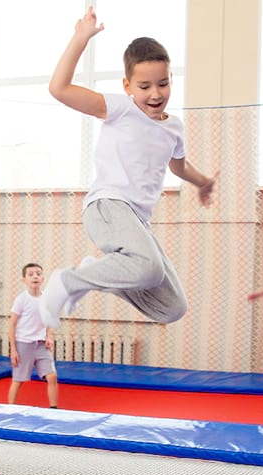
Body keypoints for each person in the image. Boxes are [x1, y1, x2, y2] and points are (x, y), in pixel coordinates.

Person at [40, 6, 218, 329]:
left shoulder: (174, 128)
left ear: (171, 81)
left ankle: (89, 274)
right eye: (144, 86)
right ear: (127, 86)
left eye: (162, 84)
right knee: (149, 268)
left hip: (137, 221)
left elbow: (179, 167)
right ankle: (68, 280)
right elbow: (59, 89)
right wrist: (80, 38)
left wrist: (203, 182)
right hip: (107, 206)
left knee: (172, 306)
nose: (155, 94)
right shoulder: (121, 109)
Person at [8, 263, 58, 408]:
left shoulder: (46, 299)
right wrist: (13, 350)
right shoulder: (21, 300)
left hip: (41, 344)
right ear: (24, 280)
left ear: (42, 279)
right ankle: (10, 409)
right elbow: (12, 325)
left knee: (52, 376)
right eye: (30, 274)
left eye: (38, 274)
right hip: (24, 344)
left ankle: (54, 408)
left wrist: (49, 336)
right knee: (18, 380)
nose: (35, 276)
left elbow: (49, 321)